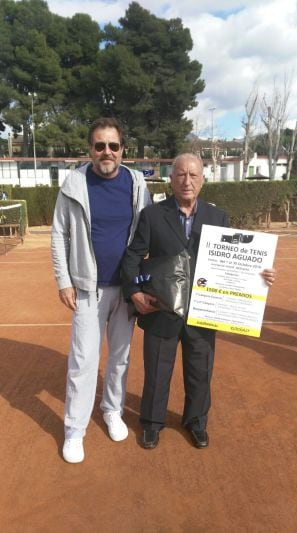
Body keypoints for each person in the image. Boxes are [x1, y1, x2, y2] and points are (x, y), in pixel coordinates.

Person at [121, 153, 276, 450]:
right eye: (181, 174)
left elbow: (235, 263)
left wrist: (260, 274)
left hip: (205, 312)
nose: (187, 181)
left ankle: (195, 421)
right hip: (161, 310)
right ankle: (152, 423)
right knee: (156, 370)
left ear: (203, 180)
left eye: (193, 175)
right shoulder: (152, 215)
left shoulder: (218, 218)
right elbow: (132, 258)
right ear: (171, 179)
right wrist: (135, 292)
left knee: (200, 372)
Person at [51, 117, 151, 463]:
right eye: (99, 145)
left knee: (120, 358)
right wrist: (64, 280)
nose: (106, 152)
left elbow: (148, 235)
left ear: (123, 149)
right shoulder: (74, 183)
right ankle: (74, 430)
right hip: (87, 290)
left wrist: (143, 281)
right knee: (83, 361)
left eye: (113, 145)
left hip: (126, 289)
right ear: (90, 149)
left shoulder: (138, 183)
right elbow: (59, 234)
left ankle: (112, 410)